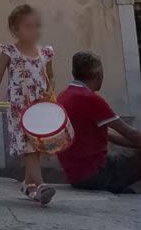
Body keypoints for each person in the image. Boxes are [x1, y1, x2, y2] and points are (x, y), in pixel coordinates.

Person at [0, 4, 55, 205]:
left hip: (39, 105)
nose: (34, 30)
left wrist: (51, 96)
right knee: (29, 147)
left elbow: (50, 77)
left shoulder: (46, 53)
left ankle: (29, 185)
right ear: (15, 30)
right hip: (19, 107)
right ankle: (41, 184)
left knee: (37, 146)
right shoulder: (10, 52)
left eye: (36, 26)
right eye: (28, 26)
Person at [56, 51, 141, 193]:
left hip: (75, 175)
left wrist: (136, 144)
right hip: (95, 173)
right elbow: (130, 133)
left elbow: (110, 134)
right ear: (98, 75)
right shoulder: (91, 100)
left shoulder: (63, 96)